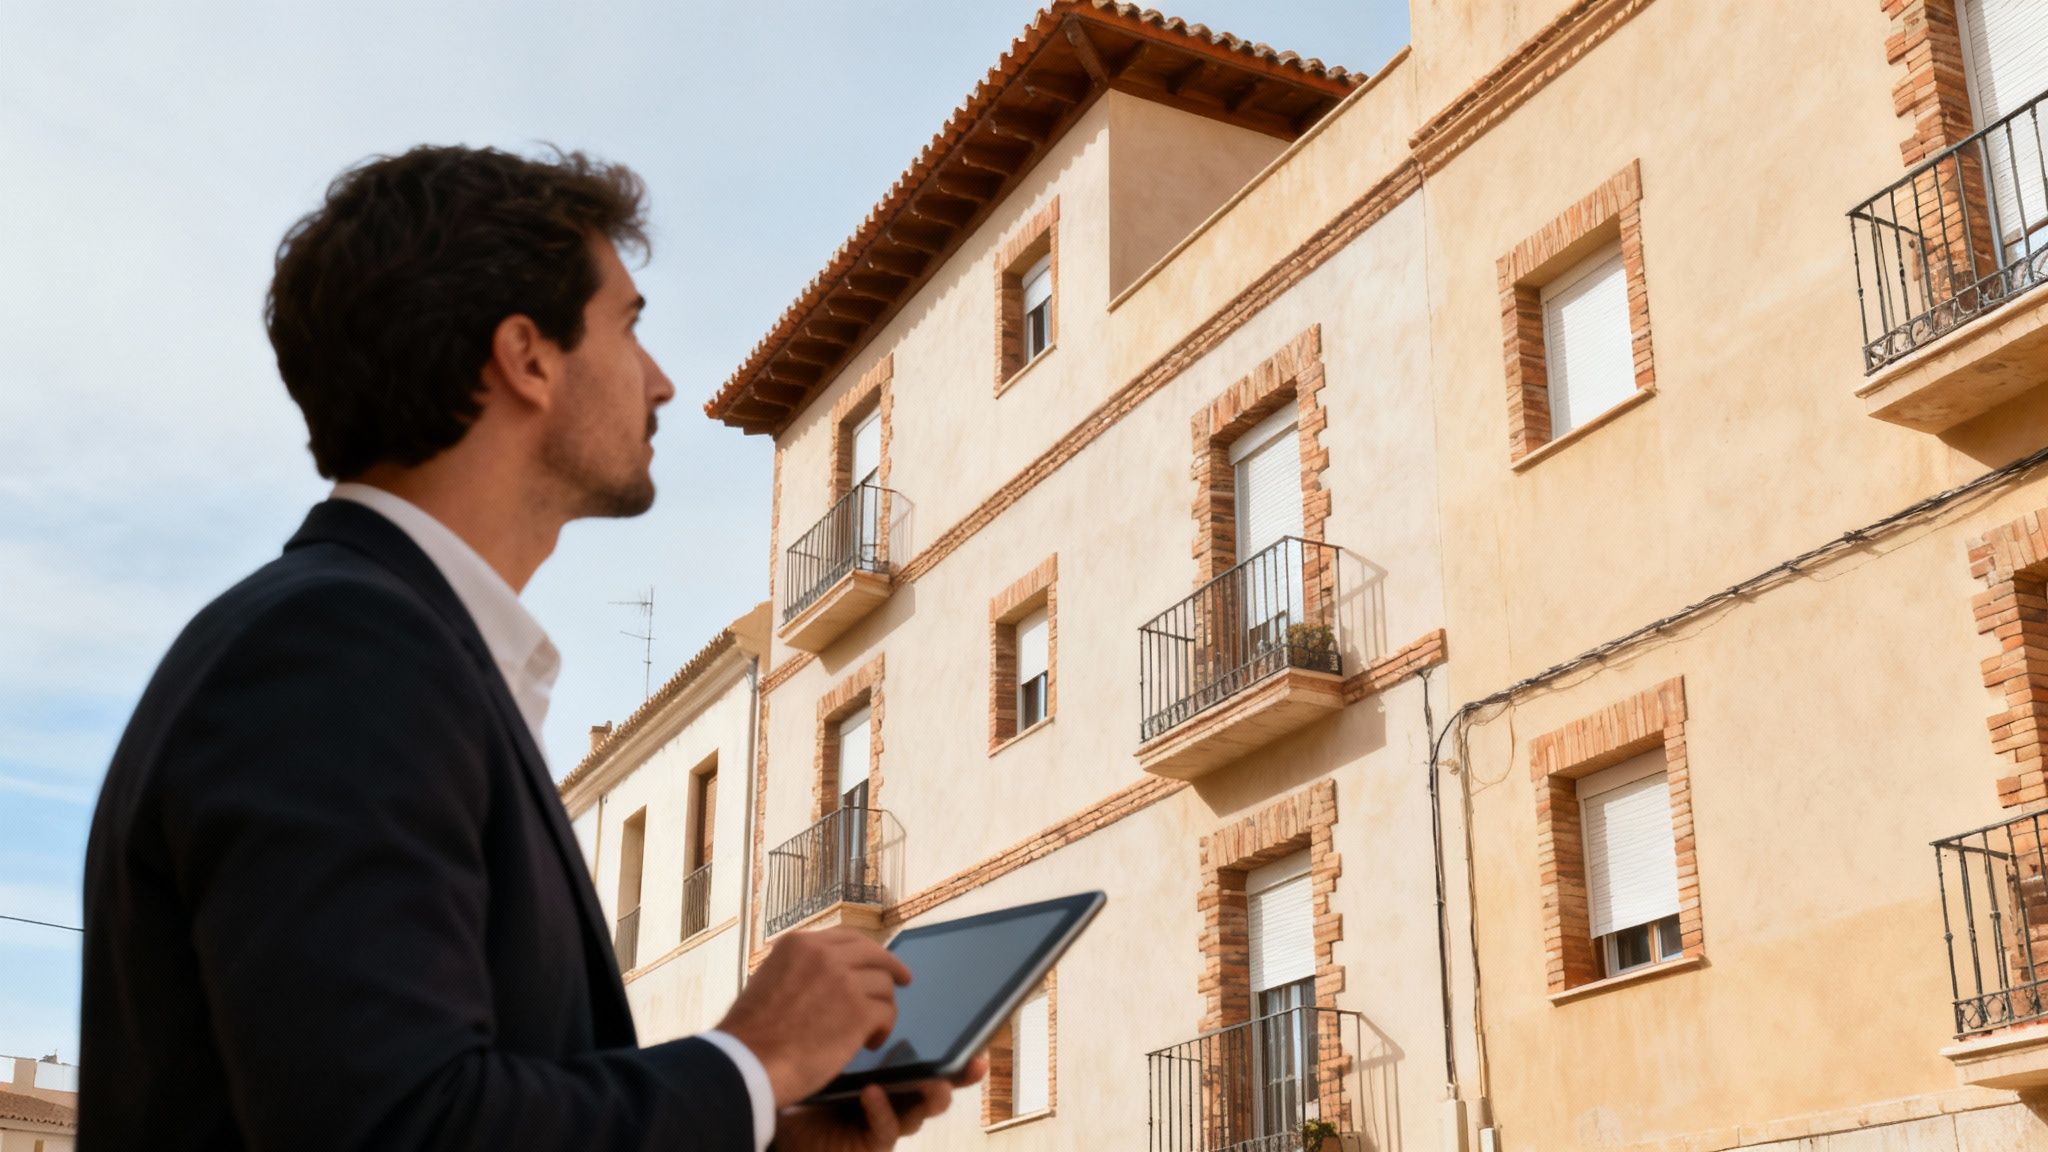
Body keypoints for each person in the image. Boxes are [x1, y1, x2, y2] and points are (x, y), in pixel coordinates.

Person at [78, 145, 978, 1151]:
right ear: (527, 355)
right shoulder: (336, 653)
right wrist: (751, 1061)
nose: (663, 381)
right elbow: (399, 1131)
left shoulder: (373, 648)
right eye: (628, 326)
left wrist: (760, 1132)